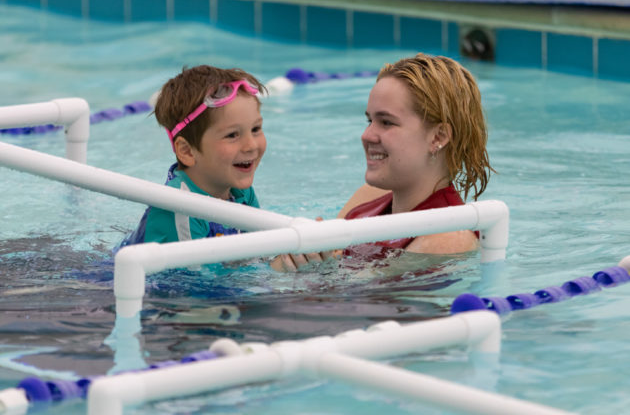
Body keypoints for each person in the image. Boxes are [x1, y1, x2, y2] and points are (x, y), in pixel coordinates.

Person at [272, 53, 493, 271]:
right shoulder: (368, 196)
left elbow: (356, 301)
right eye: (370, 120)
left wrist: (321, 265)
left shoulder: (448, 237)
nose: (367, 135)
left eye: (386, 122)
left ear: (438, 137)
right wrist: (294, 257)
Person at [119, 65, 267, 247]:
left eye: (256, 129)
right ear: (187, 151)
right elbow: (196, 275)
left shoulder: (239, 191)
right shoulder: (180, 208)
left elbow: (260, 250)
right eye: (232, 135)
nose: (251, 145)